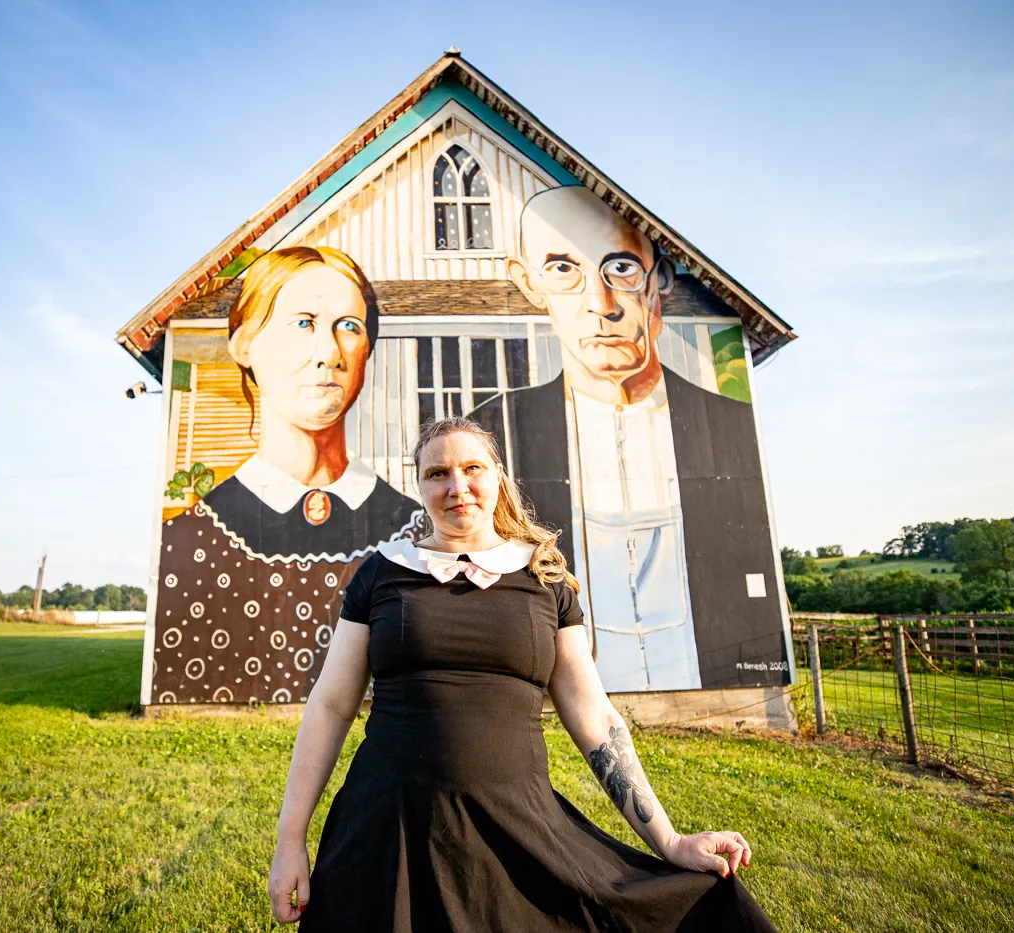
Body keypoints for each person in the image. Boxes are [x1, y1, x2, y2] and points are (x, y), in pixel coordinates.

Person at [267, 416, 777, 931]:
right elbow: (331, 706)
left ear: (498, 476)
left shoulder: (544, 578)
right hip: (386, 832)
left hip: (519, 829)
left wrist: (669, 840)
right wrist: (291, 840)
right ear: (417, 484)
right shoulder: (380, 573)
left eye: (472, 468)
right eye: (438, 473)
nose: (457, 486)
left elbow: (595, 717)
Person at [469, 185, 782, 692]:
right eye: (563, 270)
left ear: (658, 280)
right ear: (528, 284)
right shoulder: (491, 432)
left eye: (620, 268)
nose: (601, 304)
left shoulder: (720, 425)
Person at [199, 245, 419, 561]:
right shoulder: (195, 538)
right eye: (303, 323)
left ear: (367, 349)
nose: (329, 353)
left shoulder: (414, 532)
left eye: (349, 326)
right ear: (244, 344)